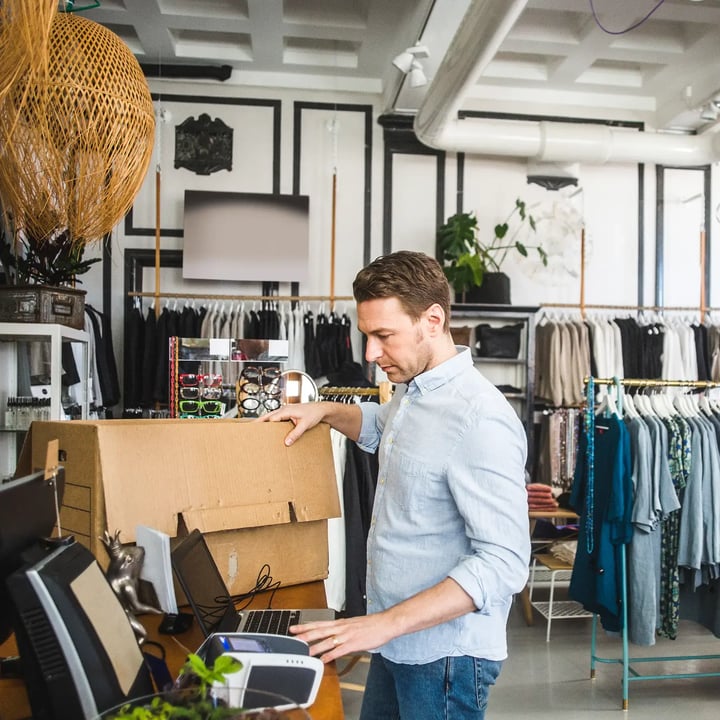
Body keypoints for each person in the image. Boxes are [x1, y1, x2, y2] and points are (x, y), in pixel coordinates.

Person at [260, 250, 530, 719]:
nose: (370, 354)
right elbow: (382, 426)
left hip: (444, 658)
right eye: (367, 336)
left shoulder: (480, 419)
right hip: (392, 638)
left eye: (383, 336)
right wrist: (324, 409)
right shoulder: (414, 389)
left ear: (432, 320)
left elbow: (505, 562)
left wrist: (380, 626)